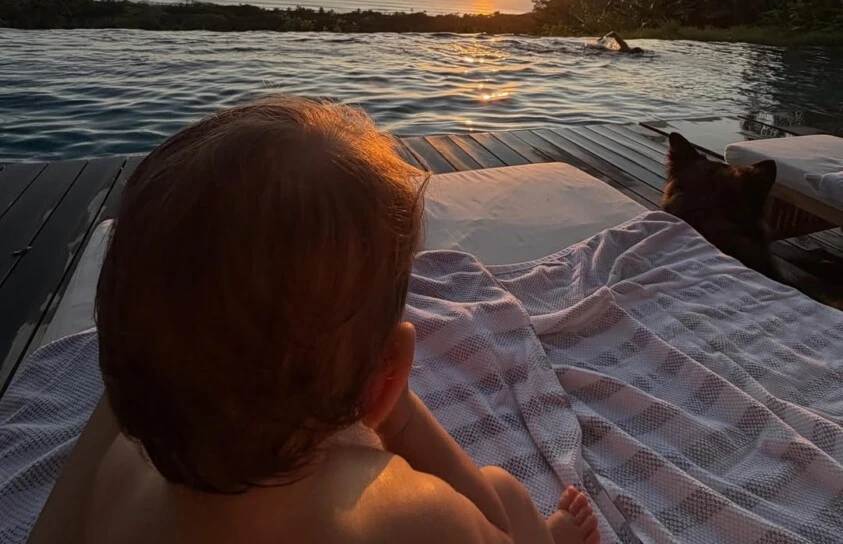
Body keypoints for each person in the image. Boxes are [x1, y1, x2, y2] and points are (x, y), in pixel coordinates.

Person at [29, 97, 600, 544]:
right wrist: (398, 417)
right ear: (389, 373)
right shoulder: (409, 516)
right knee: (504, 493)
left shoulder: (119, 479)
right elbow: (491, 529)